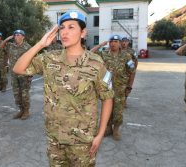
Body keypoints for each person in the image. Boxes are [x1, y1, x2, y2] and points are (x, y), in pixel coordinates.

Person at [13, 11, 114, 166]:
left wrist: (100, 134)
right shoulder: (50, 58)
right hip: (55, 137)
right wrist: (40, 44)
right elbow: (18, 69)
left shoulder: (96, 63)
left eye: (71, 27)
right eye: (62, 28)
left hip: (82, 140)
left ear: (83, 33)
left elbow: (107, 97)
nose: (65, 32)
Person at [91, 35, 135, 141]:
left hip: (120, 88)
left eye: (115, 41)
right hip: (106, 87)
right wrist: (101, 45)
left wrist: (129, 87)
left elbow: (132, 72)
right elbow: (90, 53)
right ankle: (108, 128)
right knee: (107, 109)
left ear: (119, 43)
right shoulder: (104, 54)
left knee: (118, 110)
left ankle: (116, 129)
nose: (113, 43)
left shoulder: (126, 56)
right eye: (111, 41)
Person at [0, 30, 32, 120]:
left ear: (23, 37)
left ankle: (26, 111)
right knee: (16, 94)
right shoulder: (10, 46)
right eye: (15, 35)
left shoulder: (28, 47)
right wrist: (6, 39)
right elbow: (1, 46)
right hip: (14, 74)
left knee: (24, 94)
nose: (16, 36)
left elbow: (33, 60)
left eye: (18, 35)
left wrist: (30, 73)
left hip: (24, 74)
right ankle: (21, 110)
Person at [121, 37, 138, 107]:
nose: (124, 43)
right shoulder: (118, 50)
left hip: (129, 72)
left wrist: (133, 71)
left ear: (128, 42)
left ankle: (125, 100)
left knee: (128, 87)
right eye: (123, 41)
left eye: (126, 41)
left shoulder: (132, 51)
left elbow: (136, 61)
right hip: (120, 72)